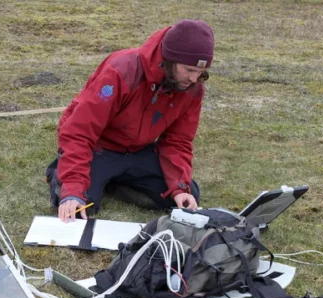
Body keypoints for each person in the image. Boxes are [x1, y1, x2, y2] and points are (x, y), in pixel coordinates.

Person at [46, 19, 214, 222]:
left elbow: (178, 141)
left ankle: (114, 181)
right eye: (189, 70)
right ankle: (62, 172)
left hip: (136, 152)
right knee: (81, 206)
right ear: (170, 60)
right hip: (100, 148)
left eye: (200, 73)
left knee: (185, 198)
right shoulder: (122, 70)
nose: (194, 79)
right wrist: (72, 186)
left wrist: (180, 188)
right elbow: (78, 131)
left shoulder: (192, 89)